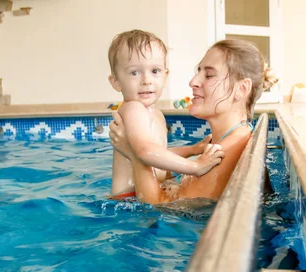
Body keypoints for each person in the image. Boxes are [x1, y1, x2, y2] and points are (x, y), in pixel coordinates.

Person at [109, 39, 278, 204]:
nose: (193, 82)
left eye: (209, 75)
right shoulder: (228, 140)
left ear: (241, 89)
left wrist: (134, 156)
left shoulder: (227, 152)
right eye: (198, 71)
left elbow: (159, 207)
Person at [107, 30, 225, 199]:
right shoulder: (133, 109)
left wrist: (192, 149)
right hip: (128, 198)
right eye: (135, 72)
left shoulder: (156, 114)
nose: (146, 80)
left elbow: (159, 153)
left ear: (165, 75)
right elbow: (145, 151)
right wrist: (196, 167)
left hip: (147, 191)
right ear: (116, 82)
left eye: (155, 71)